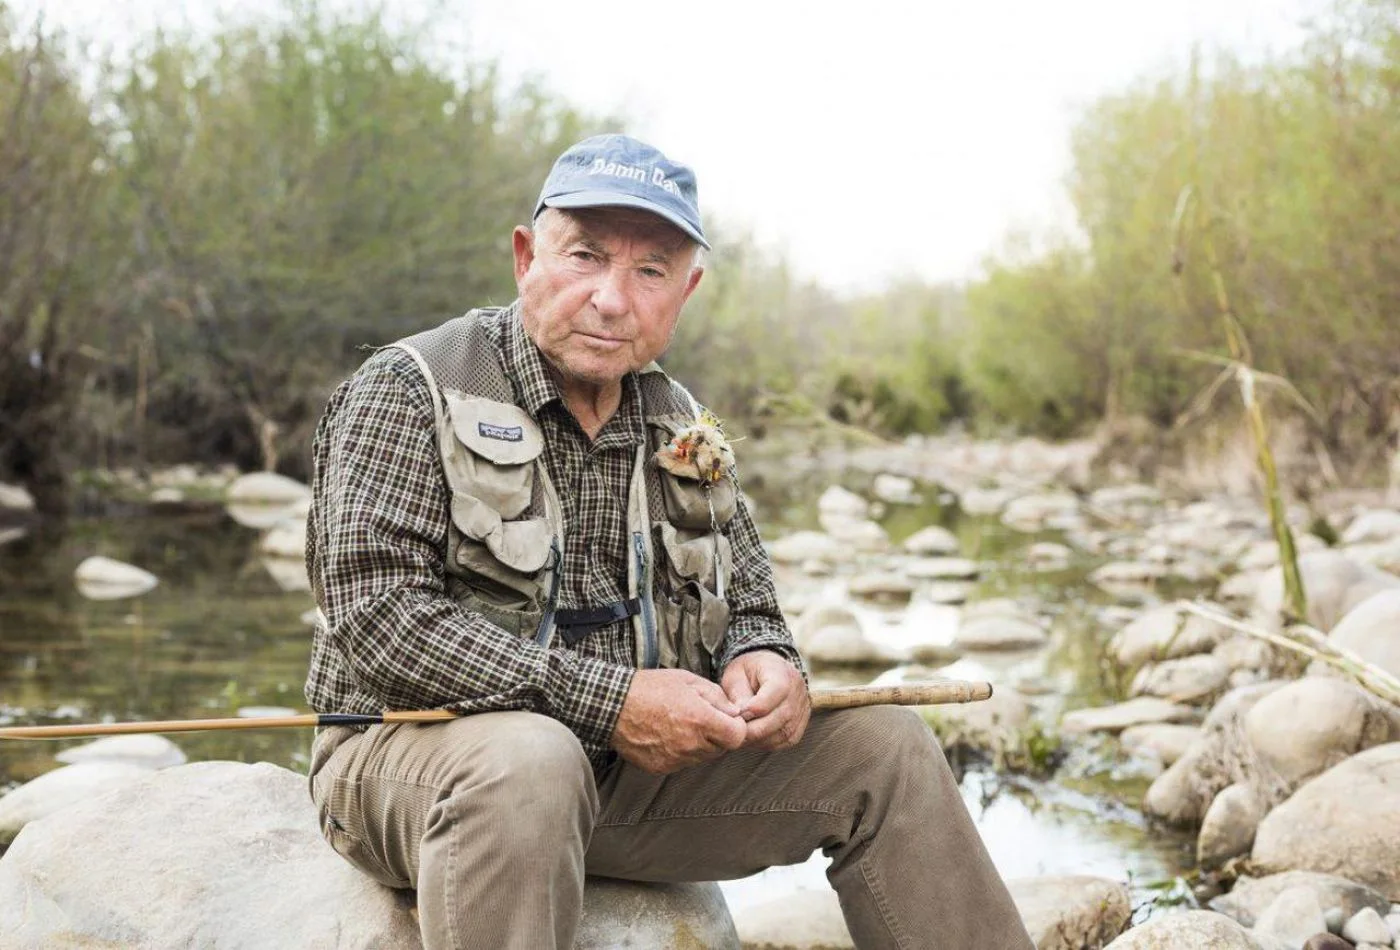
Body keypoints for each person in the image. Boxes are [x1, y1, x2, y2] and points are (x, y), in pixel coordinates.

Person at [303, 133, 1034, 950]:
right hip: (408, 767)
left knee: (887, 748)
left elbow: (750, 598)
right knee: (531, 763)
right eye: (584, 255)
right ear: (524, 257)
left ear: (684, 292)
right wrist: (610, 702)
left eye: (649, 270)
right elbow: (376, 621)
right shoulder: (407, 389)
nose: (612, 299)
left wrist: (769, 663)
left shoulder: (682, 420)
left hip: (623, 784)